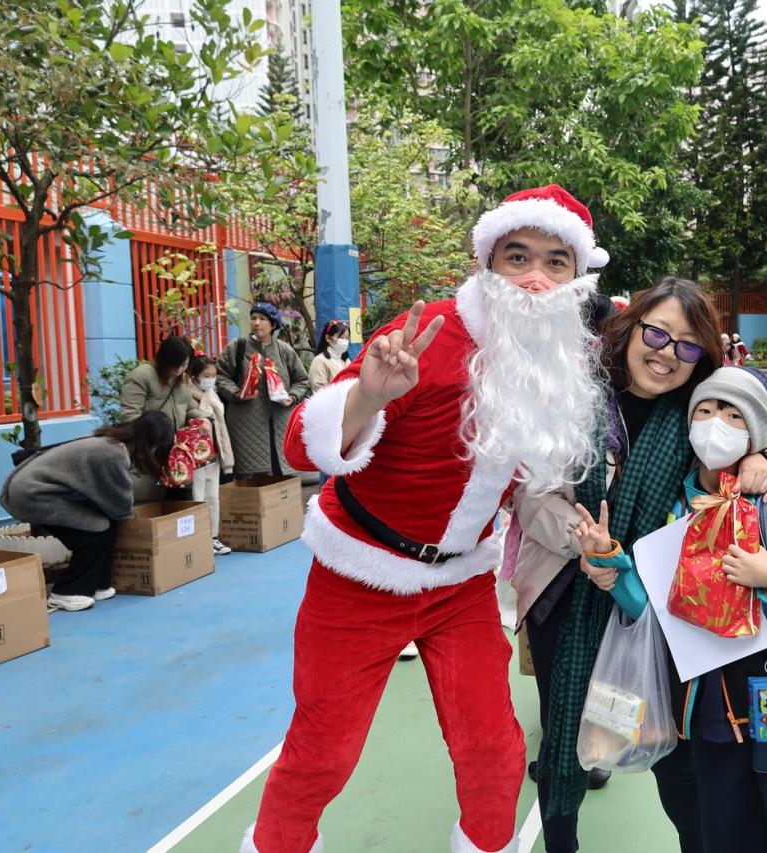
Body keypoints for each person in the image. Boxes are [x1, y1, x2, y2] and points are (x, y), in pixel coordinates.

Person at [242, 184, 611, 853]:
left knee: (494, 750)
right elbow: (300, 445)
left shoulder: (562, 356)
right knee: (323, 752)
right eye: (518, 257)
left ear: (576, 278)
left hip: (461, 586)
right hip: (358, 578)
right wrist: (366, 399)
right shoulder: (427, 336)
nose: (535, 277)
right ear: (486, 264)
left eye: (556, 262)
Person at [510, 278, 767, 853]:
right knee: (564, 733)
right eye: (657, 334)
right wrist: (585, 542)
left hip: (659, 601)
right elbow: (532, 494)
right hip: (565, 589)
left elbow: (749, 446)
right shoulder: (573, 395)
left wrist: (760, 458)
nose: (666, 353)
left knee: (675, 748)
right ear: (630, 327)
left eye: (686, 345)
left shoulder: (694, 414)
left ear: (701, 357)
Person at [577, 366, 767, 853]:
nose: (715, 424)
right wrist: (612, 564)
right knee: (725, 835)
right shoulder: (675, 510)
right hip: (710, 712)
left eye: (732, 415)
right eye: (704, 411)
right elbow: (656, 611)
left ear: (755, 434)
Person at [0, 412, 175, 612]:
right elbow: (120, 501)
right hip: (33, 495)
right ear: (154, 443)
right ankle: (66, 592)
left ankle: (98, 584)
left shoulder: (113, 443)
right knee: (94, 533)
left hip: (41, 491)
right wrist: (137, 525)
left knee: (104, 525)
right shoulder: (115, 453)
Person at [216, 302, 310, 479]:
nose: (257, 323)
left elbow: (302, 380)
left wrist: (292, 396)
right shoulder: (237, 347)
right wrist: (236, 393)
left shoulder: (284, 350)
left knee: (281, 475)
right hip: (246, 423)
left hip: (280, 422)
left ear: (273, 324)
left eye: (262, 319)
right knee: (251, 478)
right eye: (253, 318)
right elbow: (221, 376)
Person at [120, 334, 203, 501]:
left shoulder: (183, 381)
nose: (179, 370)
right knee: (148, 502)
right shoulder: (141, 376)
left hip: (177, 455)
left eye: (184, 365)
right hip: (149, 452)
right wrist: (158, 434)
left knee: (179, 502)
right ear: (164, 360)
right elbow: (129, 416)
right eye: (175, 365)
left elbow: (191, 409)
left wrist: (204, 420)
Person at [189, 352, 235, 556]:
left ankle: (213, 537)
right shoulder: (188, 394)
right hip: (197, 454)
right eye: (206, 375)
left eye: (213, 375)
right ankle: (200, 538)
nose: (211, 379)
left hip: (215, 451)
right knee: (198, 497)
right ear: (194, 376)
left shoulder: (213, 393)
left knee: (213, 497)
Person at [309, 319, 351, 390]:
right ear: (328, 338)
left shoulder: (346, 361)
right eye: (341, 337)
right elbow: (320, 390)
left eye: (347, 338)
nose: (345, 342)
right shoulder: (320, 361)